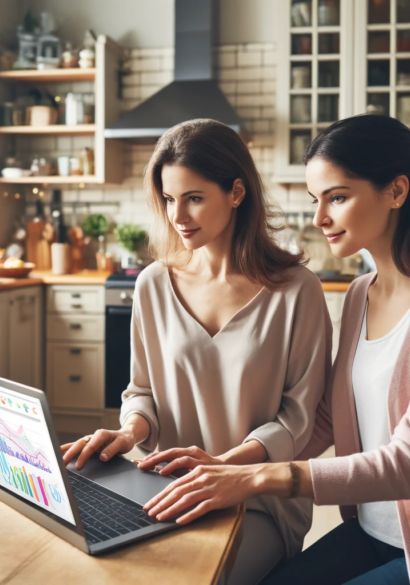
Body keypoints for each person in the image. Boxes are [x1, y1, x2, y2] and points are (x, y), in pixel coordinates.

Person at [137, 114, 410, 585]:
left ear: (396, 191)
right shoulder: (360, 294)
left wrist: (260, 478)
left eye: (338, 197)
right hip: (366, 531)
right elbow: (326, 418)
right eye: (316, 200)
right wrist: (226, 465)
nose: (319, 218)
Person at [60, 119, 331, 585]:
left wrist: (223, 469)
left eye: (194, 198)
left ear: (237, 193)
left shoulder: (296, 292)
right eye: (168, 199)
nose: (177, 216)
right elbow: (142, 391)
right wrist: (128, 433)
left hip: (257, 502)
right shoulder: (152, 285)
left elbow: (296, 422)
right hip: (162, 492)